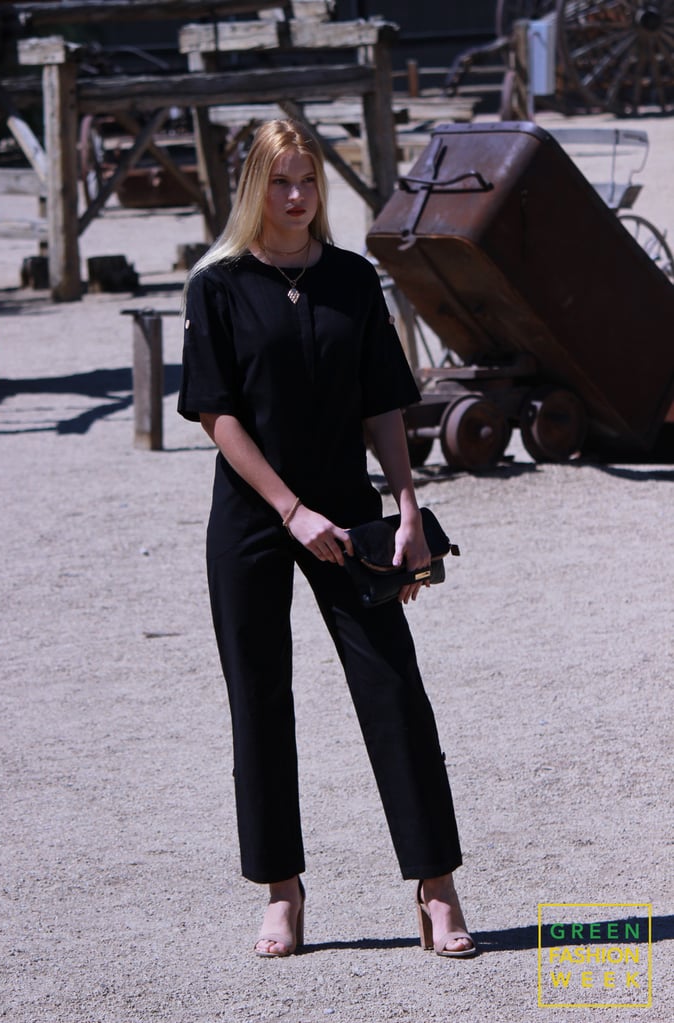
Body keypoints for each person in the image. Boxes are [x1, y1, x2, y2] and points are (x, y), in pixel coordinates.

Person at [177, 119, 476, 959]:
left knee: (394, 688)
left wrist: (408, 508)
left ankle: (437, 886)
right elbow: (215, 413)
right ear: (254, 188)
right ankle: (282, 890)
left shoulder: (351, 280)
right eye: (281, 182)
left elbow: (384, 403)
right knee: (259, 698)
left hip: (348, 509)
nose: (298, 197)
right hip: (253, 516)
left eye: (308, 180)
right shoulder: (217, 284)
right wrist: (289, 509)